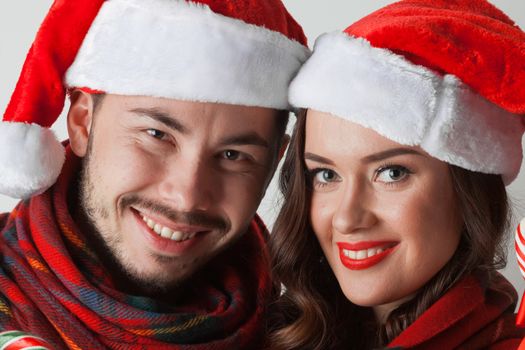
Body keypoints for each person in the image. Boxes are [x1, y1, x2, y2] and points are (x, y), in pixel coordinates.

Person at [0, 0, 309, 348]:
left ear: (273, 164)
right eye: (157, 135)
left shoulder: (298, 328)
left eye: (233, 155)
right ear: (83, 123)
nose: (187, 196)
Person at [269, 0, 525, 349]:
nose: (347, 218)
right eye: (326, 175)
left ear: (469, 190)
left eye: (391, 173)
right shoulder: (261, 329)